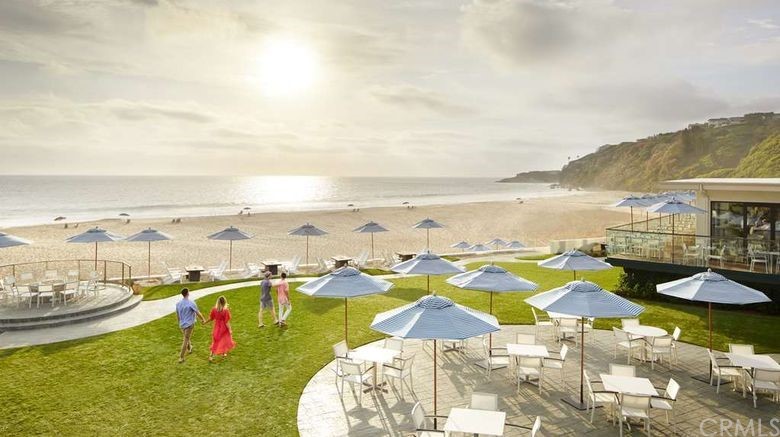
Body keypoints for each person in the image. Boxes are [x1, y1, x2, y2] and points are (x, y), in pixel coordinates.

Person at [175, 288, 206, 364]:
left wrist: (179, 323)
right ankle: (181, 357)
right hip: (189, 324)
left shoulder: (178, 304)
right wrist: (203, 319)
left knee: (186, 337)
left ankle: (190, 348)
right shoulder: (191, 303)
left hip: (182, 324)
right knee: (186, 339)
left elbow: (178, 315)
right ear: (188, 293)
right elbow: (197, 312)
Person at [204, 295, 236, 362]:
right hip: (224, 328)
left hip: (217, 327)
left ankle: (212, 356)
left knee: (216, 341)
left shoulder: (214, 309)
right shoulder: (225, 311)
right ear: (224, 302)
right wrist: (230, 329)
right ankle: (223, 353)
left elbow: (211, 318)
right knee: (225, 339)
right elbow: (226, 322)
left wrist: (205, 322)